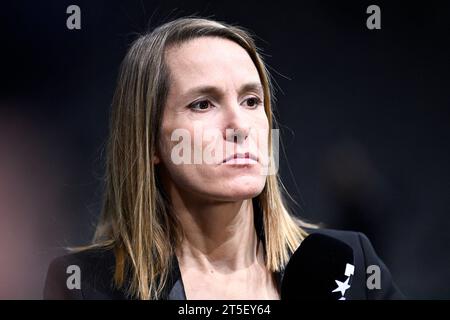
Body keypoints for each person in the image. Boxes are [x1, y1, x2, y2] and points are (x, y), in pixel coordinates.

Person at [43, 17, 403, 300]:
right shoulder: (86, 286)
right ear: (150, 142)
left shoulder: (349, 264)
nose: (239, 125)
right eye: (203, 104)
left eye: (251, 101)